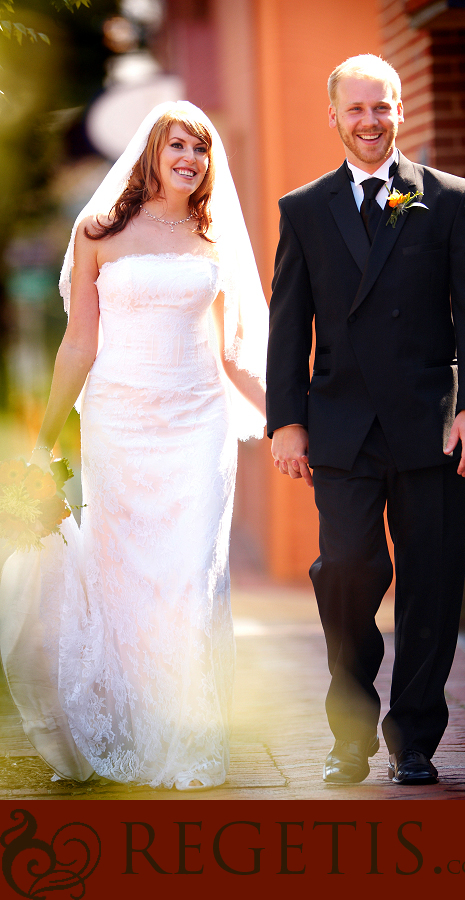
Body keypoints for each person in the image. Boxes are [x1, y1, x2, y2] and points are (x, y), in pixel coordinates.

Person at [0, 102, 267, 790]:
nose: (190, 159)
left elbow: (232, 355)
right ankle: (125, 726)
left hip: (198, 423)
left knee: (189, 577)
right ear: (152, 153)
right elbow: (79, 343)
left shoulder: (213, 240)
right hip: (121, 424)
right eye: (178, 145)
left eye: (201, 150)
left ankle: (186, 737)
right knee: (126, 580)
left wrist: (290, 419)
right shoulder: (99, 231)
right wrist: (47, 436)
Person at [266, 55, 465, 786]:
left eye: (382, 108)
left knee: (430, 582)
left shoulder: (446, 197)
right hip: (339, 428)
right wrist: (286, 422)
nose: (370, 122)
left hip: (430, 428)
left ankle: (415, 740)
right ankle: (347, 731)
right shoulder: (303, 208)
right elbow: (287, 323)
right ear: (332, 115)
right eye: (356, 109)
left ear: (400, 112)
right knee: (343, 576)